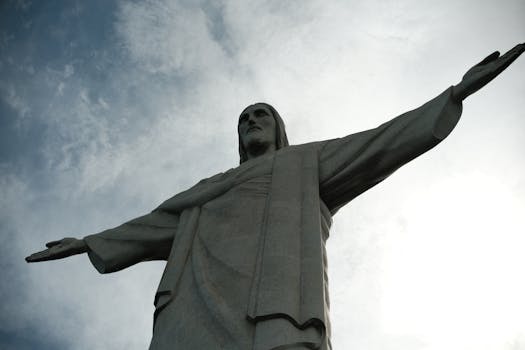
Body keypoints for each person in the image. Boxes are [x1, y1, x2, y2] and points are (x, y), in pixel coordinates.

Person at [26, 44, 524, 350]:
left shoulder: (303, 165)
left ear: (279, 129)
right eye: (244, 119)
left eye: (261, 115)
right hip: (197, 299)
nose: (251, 122)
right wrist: (88, 242)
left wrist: (455, 94)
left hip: (274, 300)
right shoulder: (204, 194)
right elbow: (154, 225)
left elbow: (379, 144)